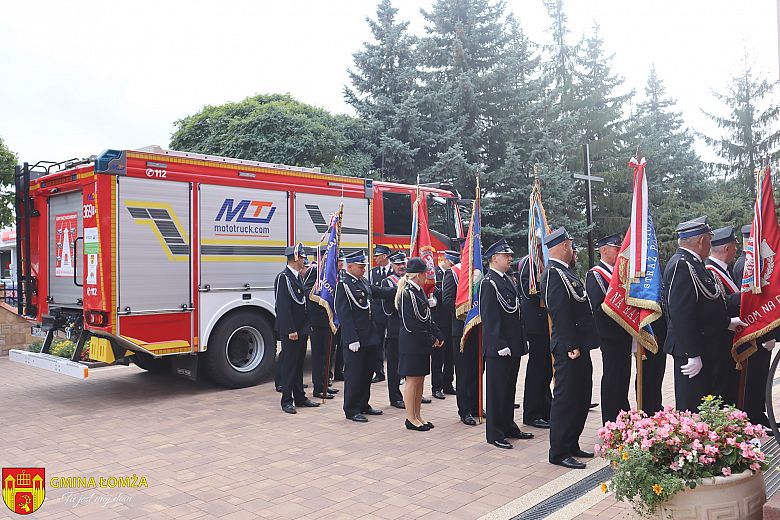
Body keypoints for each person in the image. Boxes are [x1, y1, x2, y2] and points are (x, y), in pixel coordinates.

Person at [663, 216, 742, 412]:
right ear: (701, 240)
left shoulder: (696, 264)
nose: (711, 243)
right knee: (693, 406)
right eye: (709, 238)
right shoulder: (682, 265)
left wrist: (727, 322)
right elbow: (681, 313)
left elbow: (706, 306)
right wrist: (692, 353)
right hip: (693, 349)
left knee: (708, 404)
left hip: (707, 345)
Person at [541, 228, 598, 469]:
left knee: (581, 395)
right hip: (568, 348)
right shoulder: (553, 274)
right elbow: (559, 313)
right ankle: (559, 450)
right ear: (564, 246)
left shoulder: (566, 272)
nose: (574, 251)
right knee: (566, 399)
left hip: (579, 346)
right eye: (572, 246)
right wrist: (571, 344)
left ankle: (572, 442)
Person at [481, 239, 534, 448]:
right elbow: (490, 317)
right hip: (499, 348)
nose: (510, 258)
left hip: (512, 344)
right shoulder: (489, 282)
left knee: (509, 389)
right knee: (497, 391)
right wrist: (498, 343)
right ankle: (494, 433)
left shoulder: (505, 279)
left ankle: (508, 425)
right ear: (494, 259)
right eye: (506, 256)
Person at [733, 224, 778, 427]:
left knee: (760, 378)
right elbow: (753, 306)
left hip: (759, 334)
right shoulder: (746, 266)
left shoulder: (752, 264)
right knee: (753, 380)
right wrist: (768, 335)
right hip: (754, 335)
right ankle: (753, 417)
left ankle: (757, 415)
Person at [585, 233, 632, 425]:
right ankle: (611, 420)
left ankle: (623, 413)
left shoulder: (618, 273)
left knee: (623, 375)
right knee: (612, 377)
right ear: (604, 250)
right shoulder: (596, 275)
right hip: (610, 335)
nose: (620, 251)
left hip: (624, 333)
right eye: (616, 248)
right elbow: (598, 308)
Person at [397, 257, 445, 431]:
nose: (428, 276)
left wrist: (438, 334)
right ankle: (410, 418)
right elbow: (412, 324)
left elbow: (427, 317)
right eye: (425, 273)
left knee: (420, 380)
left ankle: (418, 415)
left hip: (421, 343)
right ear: (418, 275)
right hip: (412, 344)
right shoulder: (407, 293)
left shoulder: (419, 291)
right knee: (412, 381)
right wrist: (431, 339)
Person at [336, 251, 384, 422]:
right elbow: (344, 314)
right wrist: (351, 338)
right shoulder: (344, 285)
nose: (364, 269)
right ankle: (351, 408)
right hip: (355, 339)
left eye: (364, 266)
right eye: (361, 267)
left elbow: (378, 292)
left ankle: (364, 404)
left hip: (369, 336)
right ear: (350, 267)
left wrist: (399, 287)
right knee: (354, 375)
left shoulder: (362, 281)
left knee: (366, 373)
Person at [274, 243, 320, 414]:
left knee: (299, 364)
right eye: (302, 258)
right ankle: (287, 399)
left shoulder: (298, 277)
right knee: (289, 365)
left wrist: (306, 326)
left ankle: (300, 396)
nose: (304, 261)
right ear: (295, 259)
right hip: (291, 330)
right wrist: (290, 329)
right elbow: (283, 307)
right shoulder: (283, 278)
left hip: (301, 329)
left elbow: (303, 304)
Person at [442, 247, 480, 425]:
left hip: (478, 328)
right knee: (464, 371)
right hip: (461, 328)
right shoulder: (454, 273)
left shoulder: (479, 271)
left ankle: (475, 405)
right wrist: (467, 310)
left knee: (477, 369)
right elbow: (447, 300)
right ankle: (465, 410)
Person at [704, 226, 741, 406]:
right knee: (720, 388)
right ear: (727, 248)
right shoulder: (710, 271)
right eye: (735, 245)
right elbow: (719, 304)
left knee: (730, 386)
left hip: (730, 340)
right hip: (718, 341)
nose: (737, 250)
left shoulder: (726, 270)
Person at [516, 244, 552, 429]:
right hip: (536, 326)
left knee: (546, 370)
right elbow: (527, 291)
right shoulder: (529, 264)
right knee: (537, 370)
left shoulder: (546, 262)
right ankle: (532, 413)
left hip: (547, 326)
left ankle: (546, 408)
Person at [304, 246, 339, 400]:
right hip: (318, 320)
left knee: (328, 353)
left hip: (329, 319)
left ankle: (325, 385)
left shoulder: (330, 272)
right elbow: (307, 292)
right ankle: (318, 388)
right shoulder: (314, 271)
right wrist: (321, 296)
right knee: (319, 355)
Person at [378, 251, 408, 408]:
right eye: (398, 264)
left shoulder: (410, 280)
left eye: (403, 263)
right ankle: (395, 397)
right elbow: (389, 309)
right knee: (394, 365)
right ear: (392, 265)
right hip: (395, 330)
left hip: (410, 330)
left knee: (410, 363)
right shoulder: (388, 282)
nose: (401, 267)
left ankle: (412, 393)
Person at [431, 251, 458, 399]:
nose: (452, 266)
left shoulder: (453, 273)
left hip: (451, 320)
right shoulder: (433, 274)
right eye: (451, 263)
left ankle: (448, 383)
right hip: (438, 320)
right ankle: (437, 386)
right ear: (445, 260)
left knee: (450, 356)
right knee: (438, 356)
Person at [369, 245, 393, 383]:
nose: (375, 258)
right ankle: (379, 372)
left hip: (391, 312)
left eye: (377, 256)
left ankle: (397, 374)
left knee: (393, 345)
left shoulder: (394, 270)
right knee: (377, 343)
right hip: (378, 312)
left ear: (384, 256)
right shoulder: (373, 272)